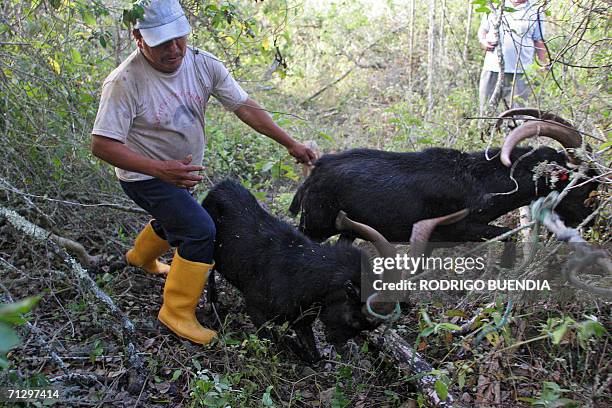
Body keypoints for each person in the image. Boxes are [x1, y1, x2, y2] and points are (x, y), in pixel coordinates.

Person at [91, 0, 316, 345]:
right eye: (162, 42)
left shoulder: (202, 64)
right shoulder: (124, 82)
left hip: (180, 171)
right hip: (144, 175)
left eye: (179, 37)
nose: (174, 48)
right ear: (138, 37)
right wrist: (161, 170)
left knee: (177, 218)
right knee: (198, 230)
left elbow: (244, 107)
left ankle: (139, 257)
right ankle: (176, 312)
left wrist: (291, 144)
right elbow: (103, 145)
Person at [478, 0, 548, 115]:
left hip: (521, 73)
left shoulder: (536, 10)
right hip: (492, 69)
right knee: (486, 112)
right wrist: (483, 41)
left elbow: (539, 41)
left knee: (519, 116)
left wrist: (543, 67)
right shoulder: (495, 5)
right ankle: (487, 132)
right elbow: (483, 30)